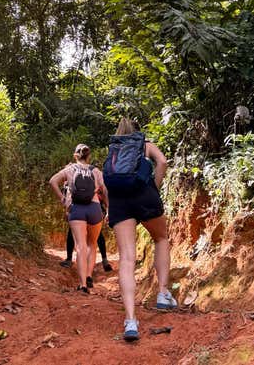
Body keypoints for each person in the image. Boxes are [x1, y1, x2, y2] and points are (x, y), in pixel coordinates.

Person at [104, 118, 177, 342]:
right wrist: (154, 186)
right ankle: (163, 293)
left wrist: (110, 207)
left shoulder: (113, 149)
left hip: (119, 201)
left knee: (127, 258)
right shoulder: (144, 144)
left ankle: (131, 320)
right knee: (161, 238)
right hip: (145, 195)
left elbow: (107, 179)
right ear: (137, 132)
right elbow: (163, 162)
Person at [49, 144, 108, 293]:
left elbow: (52, 181)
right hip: (94, 208)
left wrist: (63, 200)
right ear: (89, 157)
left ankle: (82, 285)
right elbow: (105, 190)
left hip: (76, 209)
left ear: (76, 155)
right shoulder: (95, 171)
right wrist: (108, 208)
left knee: (80, 247)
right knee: (92, 245)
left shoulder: (69, 169)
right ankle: (89, 275)